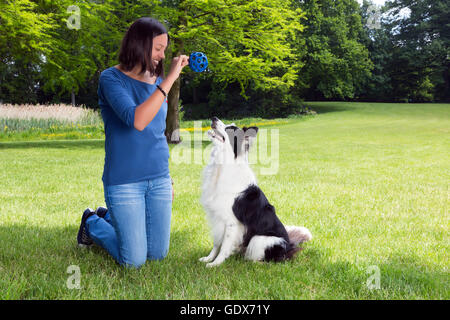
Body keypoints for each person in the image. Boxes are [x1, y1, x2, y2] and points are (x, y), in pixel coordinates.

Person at [76, 17, 189, 268]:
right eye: (158, 48)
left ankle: (109, 218)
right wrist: (170, 79)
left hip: (157, 177)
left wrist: (167, 178)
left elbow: (157, 132)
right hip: (124, 181)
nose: (162, 55)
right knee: (133, 260)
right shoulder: (111, 78)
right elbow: (137, 120)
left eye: (164, 49)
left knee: (157, 253)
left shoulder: (158, 81)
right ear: (139, 44)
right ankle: (92, 221)